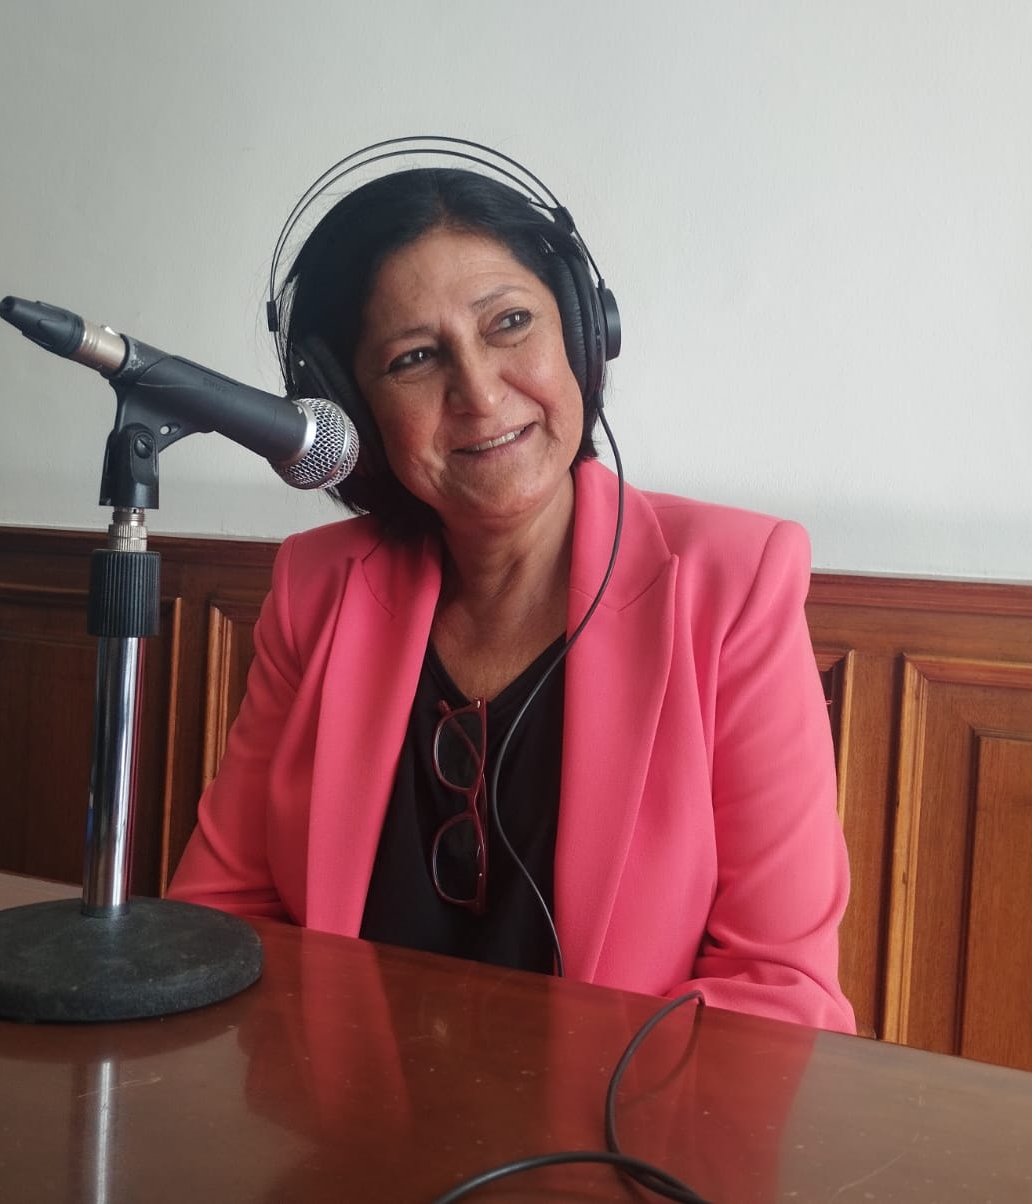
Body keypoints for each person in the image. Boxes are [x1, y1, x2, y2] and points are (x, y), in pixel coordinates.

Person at [168, 155, 855, 1033]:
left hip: (611, 1148)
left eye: (510, 323)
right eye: (415, 357)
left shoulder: (733, 583)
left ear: (579, 328)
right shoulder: (317, 590)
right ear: (348, 404)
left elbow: (778, 992)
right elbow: (220, 916)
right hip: (341, 1140)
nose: (481, 393)